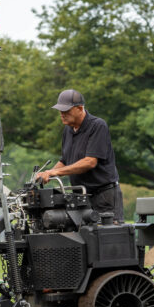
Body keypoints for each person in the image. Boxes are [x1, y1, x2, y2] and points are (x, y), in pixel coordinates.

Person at [35, 89, 124, 222]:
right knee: (83, 237)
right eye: (60, 111)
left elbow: (90, 162)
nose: (62, 115)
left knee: (108, 237)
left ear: (80, 108)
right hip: (80, 196)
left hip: (104, 196)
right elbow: (65, 160)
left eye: (66, 111)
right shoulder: (68, 130)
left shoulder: (98, 125)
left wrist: (54, 172)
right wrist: (47, 173)